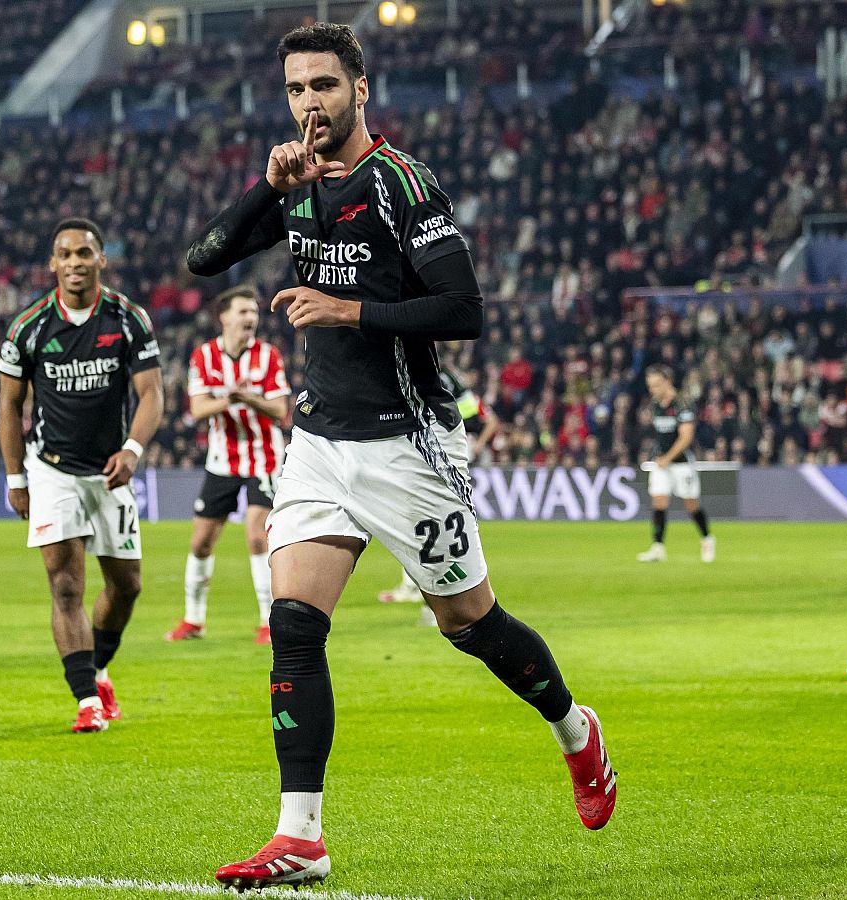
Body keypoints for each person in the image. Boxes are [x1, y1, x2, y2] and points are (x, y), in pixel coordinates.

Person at [186, 24, 616, 890]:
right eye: (297, 89)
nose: (309, 103)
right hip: (317, 441)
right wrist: (262, 190)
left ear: (361, 88)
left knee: (473, 626)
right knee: (295, 629)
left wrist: (348, 311)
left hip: (409, 441)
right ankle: (300, 835)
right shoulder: (297, 181)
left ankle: (577, 731)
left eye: (324, 86)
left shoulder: (403, 185)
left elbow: (464, 310)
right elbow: (204, 261)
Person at [0, 218, 164, 733]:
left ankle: (99, 669)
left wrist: (133, 449)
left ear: (100, 260)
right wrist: (15, 477)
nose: (74, 262)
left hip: (110, 473)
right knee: (65, 584)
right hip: (52, 473)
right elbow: (8, 406)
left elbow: (152, 394)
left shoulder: (128, 318)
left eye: (84, 253)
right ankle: (86, 700)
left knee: (127, 587)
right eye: (65, 255)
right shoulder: (28, 327)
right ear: (53, 264)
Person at [166, 284, 291, 645]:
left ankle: (270, 622)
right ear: (224, 317)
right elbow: (198, 408)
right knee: (202, 541)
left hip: (263, 457)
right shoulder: (204, 356)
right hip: (221, 459)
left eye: (253, 312)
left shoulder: (268, 356)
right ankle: (193, 620)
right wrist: (229, 399)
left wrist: (248, 397)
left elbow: (281, 410)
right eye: (243, 311)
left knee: (256, 536)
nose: (251, 318)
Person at [378, 367, 500, 624]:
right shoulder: (421, 371)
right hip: (421, 453)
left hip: (441, 458)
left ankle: (439, 599)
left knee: (434, 521)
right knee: (417, 520)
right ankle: (422, 591)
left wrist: (474, 445)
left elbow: (486, 419)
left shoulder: (441, 377)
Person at [636, 364, 714, 563]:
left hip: (681, 464)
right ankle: (658, 547)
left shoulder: (683, 404)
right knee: (658, 502)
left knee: (691, 504)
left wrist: (667, 458)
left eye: (656, 385)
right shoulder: (655, 404)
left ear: (667, 382)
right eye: (650, 386)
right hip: (661, 462)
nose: (652, 390)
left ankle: (707, 538)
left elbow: (686, 437)